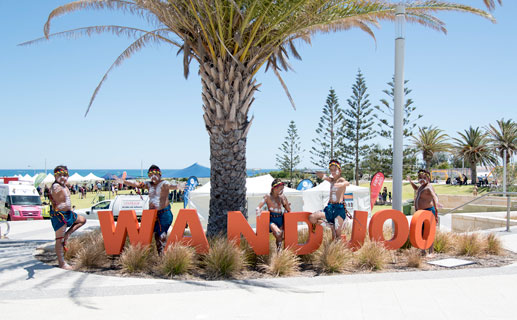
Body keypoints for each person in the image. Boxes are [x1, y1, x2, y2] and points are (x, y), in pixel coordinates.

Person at [119, 165, 182, 255]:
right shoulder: (148, 184)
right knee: (156, 235)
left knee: (161, 235)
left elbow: (170, 186)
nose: (153, 176)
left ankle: (163, 257)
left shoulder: (164, 183)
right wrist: (124, 181)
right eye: (150, 174)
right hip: (153, 215)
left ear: (160, 175)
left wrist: (178, 186)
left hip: (164, 213)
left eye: (155, 174)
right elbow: (136, 184)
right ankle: (161, 255)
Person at [49, 165, 86, 270]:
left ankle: (67, 234)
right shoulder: (56, 186)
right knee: (59, 240)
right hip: (60, 215)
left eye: (65, 175)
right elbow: (55, 192)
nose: (63, 177)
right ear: (55, 176)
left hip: (69, 214)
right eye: (60, 175)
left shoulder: (64, 185)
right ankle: (62, 263)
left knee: (82, 220)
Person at [309, 160, 350, 241]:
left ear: (340, 170)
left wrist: (342, 184)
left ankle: (338, 251)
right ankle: (330, 225)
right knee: (312, 217)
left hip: (339, 209)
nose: (333, 171)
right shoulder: (331, 180)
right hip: (330, 208)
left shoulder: (341, 179)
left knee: (337, 235)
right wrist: (320, 175)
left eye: (335, 169)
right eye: (331, 170)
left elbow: (347, 183)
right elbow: (324, 177)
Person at [407, 169, 440, 255]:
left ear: (428, 178)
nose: (422, 179)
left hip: (428, 211)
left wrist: (437, 203)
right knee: (421, 231)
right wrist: (410, 181)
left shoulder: (428, 187)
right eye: (420, 177)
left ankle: (431, 252)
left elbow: (434, 196)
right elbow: (416, 188)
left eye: (424, 177)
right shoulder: (422, 187)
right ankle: (423, 251)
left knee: (428, 231)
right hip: (420, 213)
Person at [255, 179, 291, 250]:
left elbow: (288, 209)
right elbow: (258, 206)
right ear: (274, 188)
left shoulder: (282, 197)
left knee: (279, 237)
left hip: (280, 219)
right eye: (280, 189)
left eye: (283, 189)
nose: (282, 191)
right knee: (278, 233)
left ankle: (279, 254)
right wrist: (258, 210)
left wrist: (285, 202)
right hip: (272, 219)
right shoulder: (267, 196)